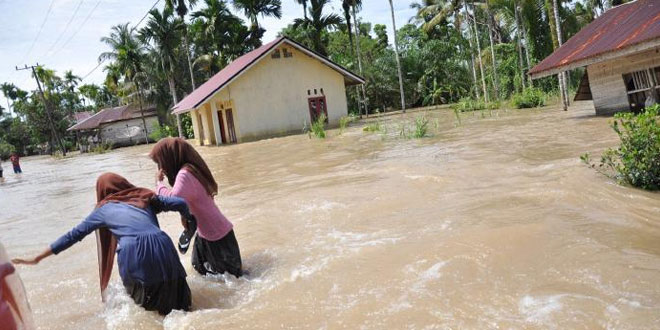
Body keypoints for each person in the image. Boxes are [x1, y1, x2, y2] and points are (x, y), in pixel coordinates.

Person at [12, 173, 194, 315]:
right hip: (162, 243)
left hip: (133, 252)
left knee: (147, 310)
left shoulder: (104, 209)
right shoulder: (144, 197)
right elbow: (180, 202)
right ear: (123, 183)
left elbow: (73, 235)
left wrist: (38, 257)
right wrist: (186, 220)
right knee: (181, 306)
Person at [149, 138, 243, 277]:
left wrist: (159, 183)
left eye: (159, 162)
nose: (160, 168)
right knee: (203, 274)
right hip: (207, 234)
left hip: (217, 237)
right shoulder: (191, 169)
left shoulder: (185, 174)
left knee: (234, 282)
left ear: (169, 158)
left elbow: (172, 200)